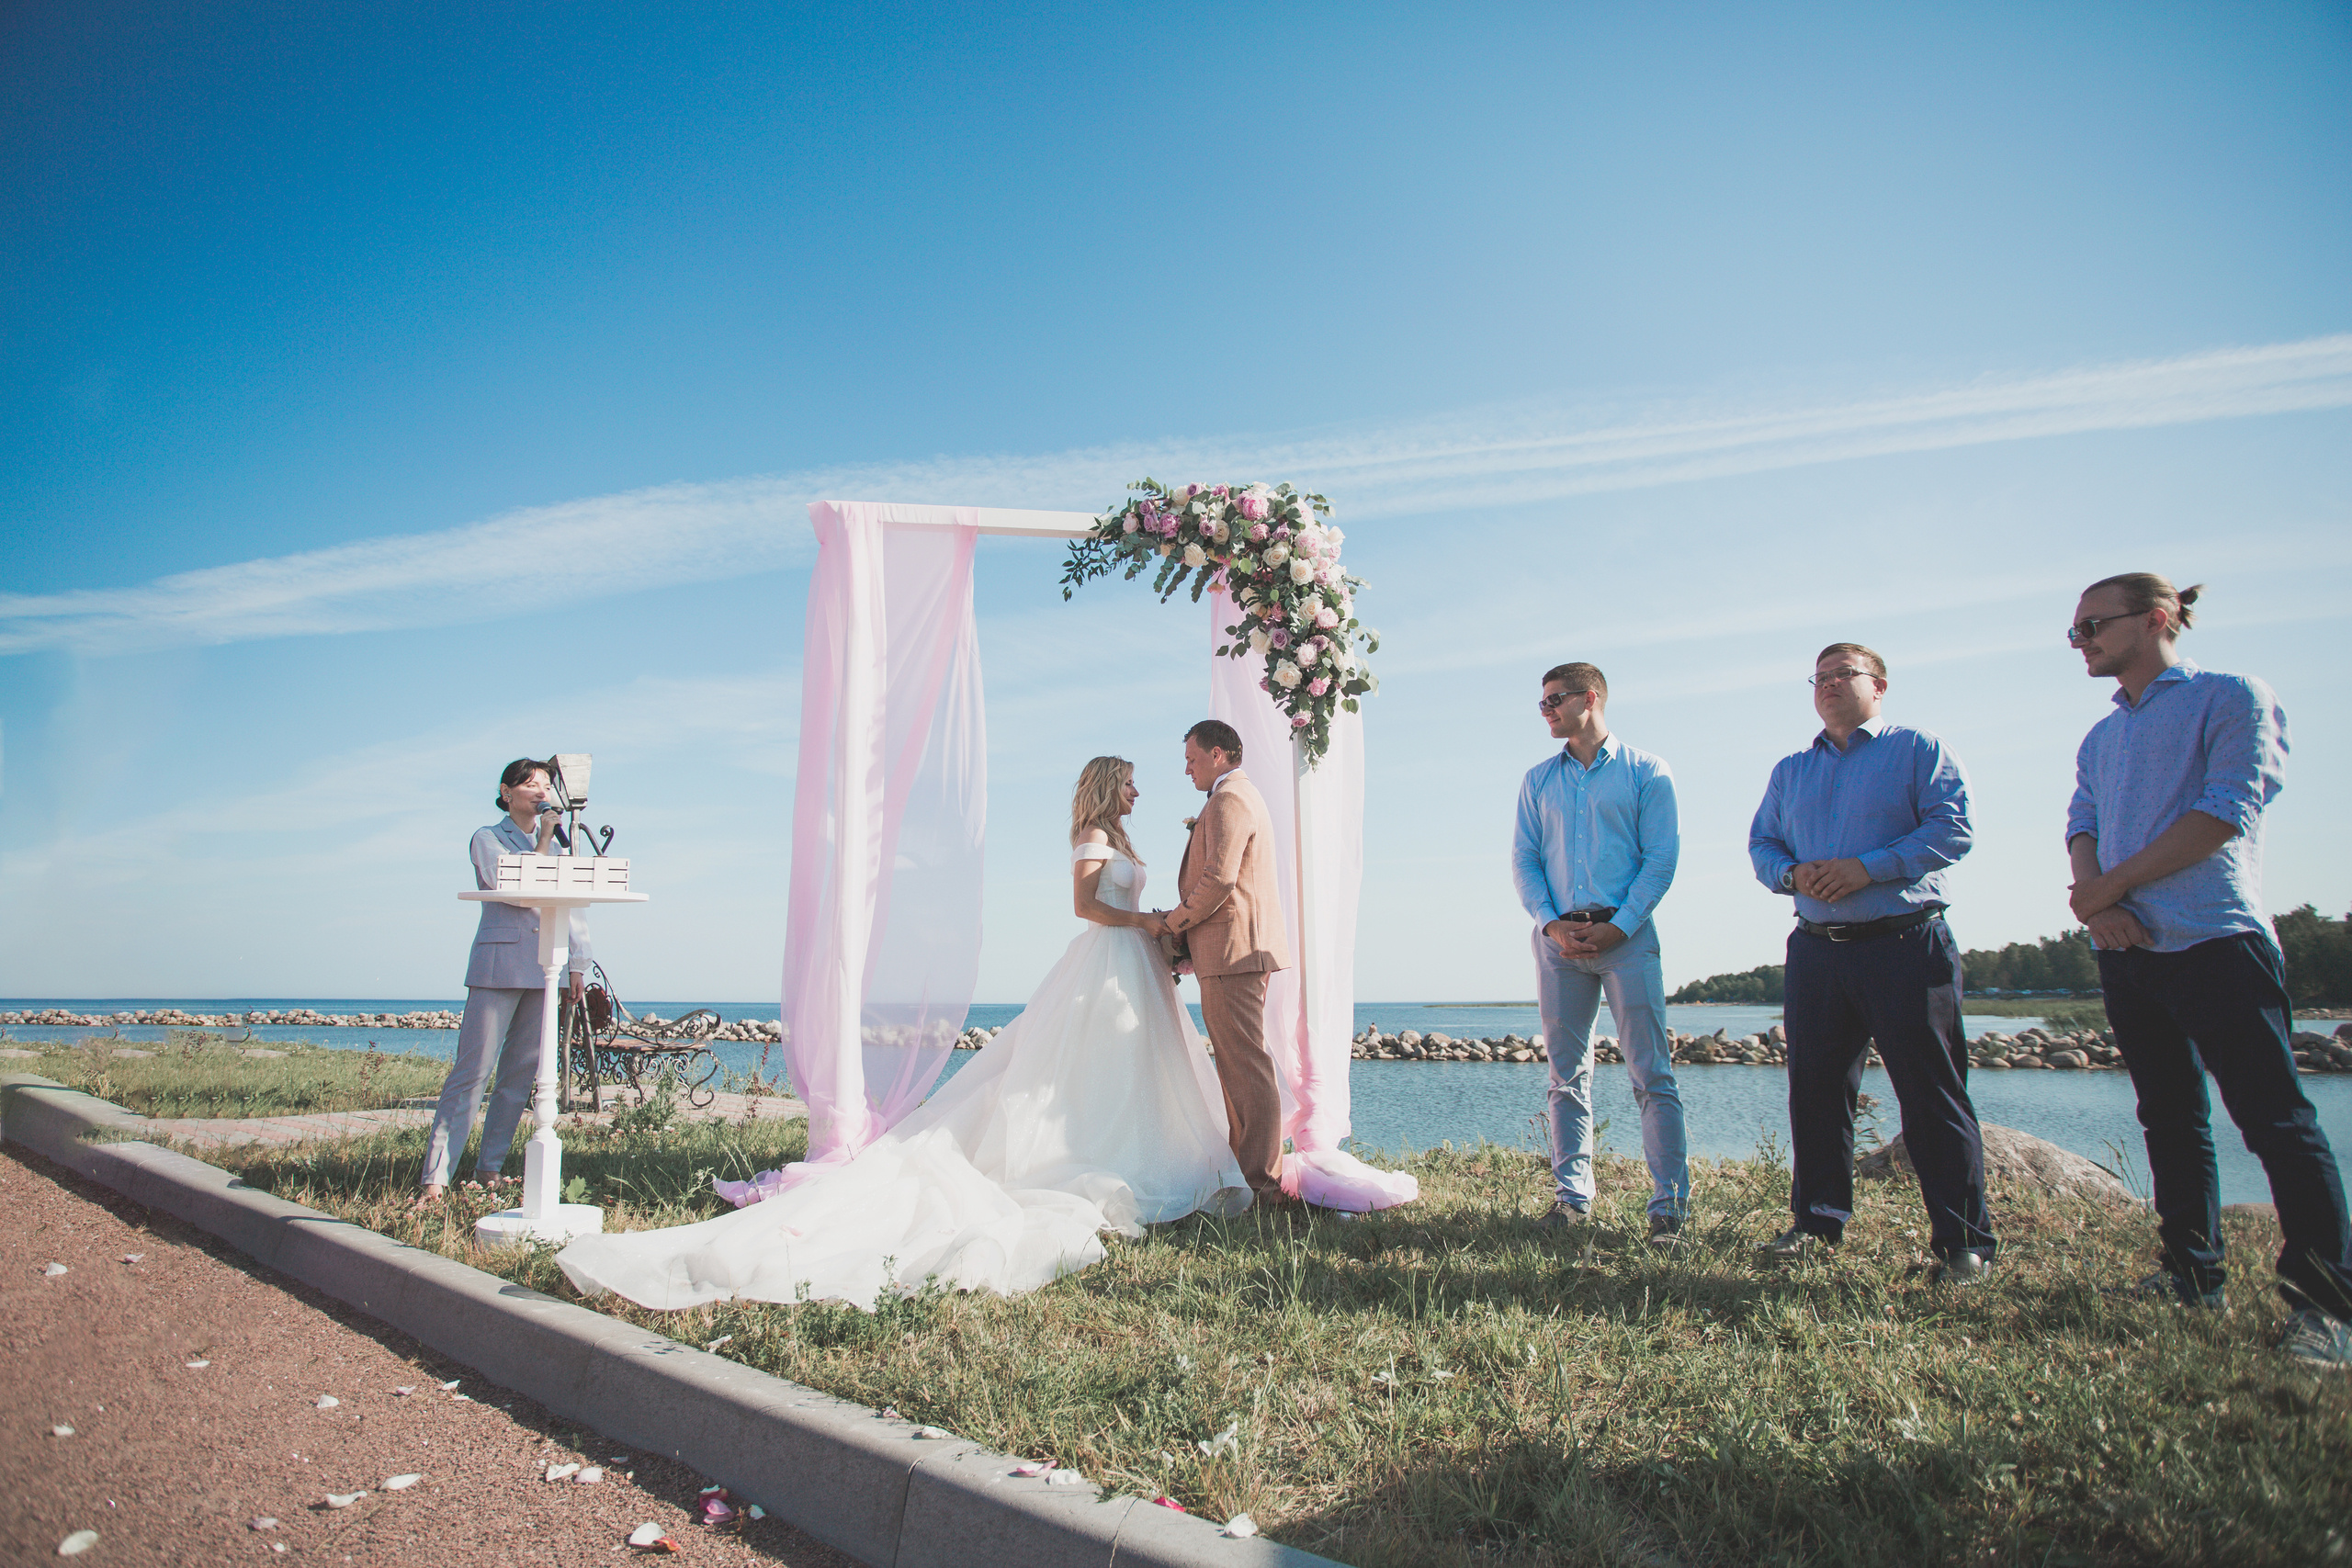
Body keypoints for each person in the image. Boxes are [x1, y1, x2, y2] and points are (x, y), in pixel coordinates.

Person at [553, 756, 1249, 1309]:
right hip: (1108, 957)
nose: (1136, 792)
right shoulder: (1092, 838)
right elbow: (1085, 907)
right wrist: (1150, 924)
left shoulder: (1121, 839)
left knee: (1131, 1068)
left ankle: (1132, 1148)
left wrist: (1157, 930)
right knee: (1086, 1065)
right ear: (1106, 784)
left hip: (1135, 968)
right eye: (1128, 782)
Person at [2064, 572, 2351, 1370]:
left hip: (2214, 940)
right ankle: (2192, 1271)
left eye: (2093, 625)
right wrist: (2099, 905)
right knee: (2169, 1115)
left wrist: (2112, 886)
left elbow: (2226, 812)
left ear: (2157, 618)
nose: (2081, 641)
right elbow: (2082, 822)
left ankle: (2328, 1306)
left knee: (2275, 1122)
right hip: (2128, 949)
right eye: (2075, 631)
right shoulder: (2101, 737)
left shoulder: (2231, 696)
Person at [1748, 644, 1996, 1280]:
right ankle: (1816, 1223)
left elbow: (1953, 829)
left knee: (1931, 1092)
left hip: (1905, 944)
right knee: (1816, 1091)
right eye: (1819, 677)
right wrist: (1790, 872)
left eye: (1843, 674)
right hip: (1817, 950)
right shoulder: (1791, 770)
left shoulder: (1918, 750)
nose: (1829, 685)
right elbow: (1762, 843)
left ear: (1878, 685)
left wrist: (1868, 867)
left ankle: (1963, 1245)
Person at [1510, 662, 1688, 1245]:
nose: (1546, 711)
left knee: (1651, 1074)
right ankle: (1571, 1198)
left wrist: (1624, 925)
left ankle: (1668, 1206)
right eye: (1541, 704)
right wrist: (1551, 925)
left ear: (1591, 699)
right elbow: (1526, 861)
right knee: (1565, 1077)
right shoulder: (1537, 781)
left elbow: (1660, 859)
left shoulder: (1647, 773)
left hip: (1626, 941)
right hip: (1559, 945)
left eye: (1554, 700)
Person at [420, 758, 593, 1200]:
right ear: (506, 791)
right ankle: (435, 1178)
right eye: (531, 784)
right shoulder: (488, 838)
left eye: (547, 785)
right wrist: (547, 840)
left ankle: (488, 1168)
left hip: (543, 968)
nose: (541, 791)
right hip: (498, 968)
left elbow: (573, 909)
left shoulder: (561, 845)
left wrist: (578, 964)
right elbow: (513, 887)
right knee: (472, 1073)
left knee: (519, 1076)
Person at [1141, 720, 1294, 1208]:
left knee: (1247, 1069)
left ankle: (1264, 1188)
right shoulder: (1233, 798)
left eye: (1192, 759)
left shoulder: (1229, 800)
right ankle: (1248, 1176)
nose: (1186, 769)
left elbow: (1219, 880)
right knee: (1238, 1067)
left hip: (1234, 953)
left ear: (1220, 754)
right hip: (1230, 951)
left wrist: (1172, 926)